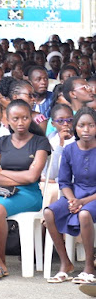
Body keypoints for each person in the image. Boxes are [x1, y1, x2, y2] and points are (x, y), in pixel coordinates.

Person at [0, 100, 50, 280]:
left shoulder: (40, 142)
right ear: (8, 120)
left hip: (29, 193)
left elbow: (32, 177)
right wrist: (9, 176)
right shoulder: (3, 141)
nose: (20, 122)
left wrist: (3, 172)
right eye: (16, 118)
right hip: (2, 191)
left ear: (31, 119)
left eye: (25, 118)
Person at [44, 107, 96, 284]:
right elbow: (64, 182)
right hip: (75, 193)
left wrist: (82, 202)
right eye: (82, 125)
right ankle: (65, 263)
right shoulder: (69, 149)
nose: (86, 130)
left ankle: (89, 266)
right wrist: (72, 199)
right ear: (76, 128)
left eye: (91, 125)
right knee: (49, 212)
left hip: (93, 197)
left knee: (84, 213)